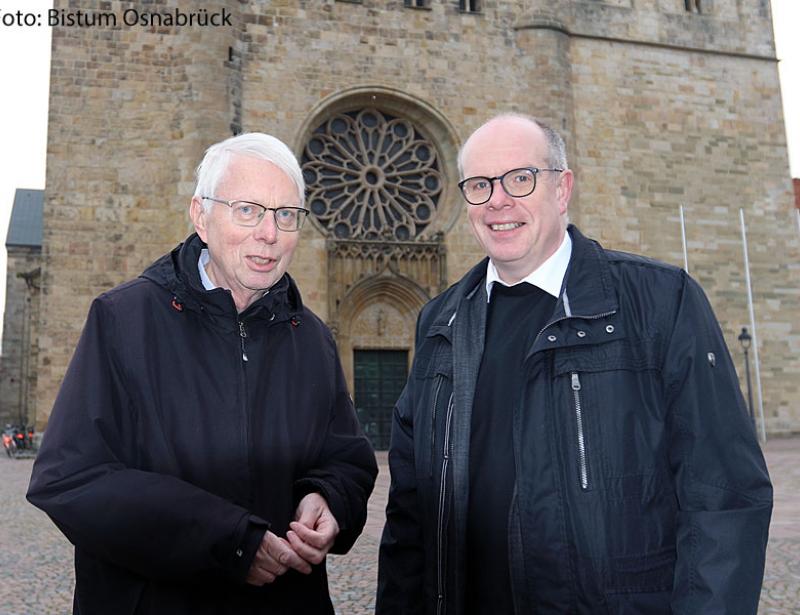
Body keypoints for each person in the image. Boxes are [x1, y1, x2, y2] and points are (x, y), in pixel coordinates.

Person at [376, 114, 773, 614]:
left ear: (562, 189)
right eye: (479, 185)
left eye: (520, 178)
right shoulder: (441, 322)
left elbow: (723, 496)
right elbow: (410, 512)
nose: (498, 200)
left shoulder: (659, 302)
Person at [28, 133, 378, 615]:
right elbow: (69, 478)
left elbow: (347, 458)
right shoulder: (123, 320)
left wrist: (329, 497)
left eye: (286, 214)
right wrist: (227, 540)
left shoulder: (312, 337)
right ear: (201, 216)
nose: (269, 233)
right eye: (247, 210)